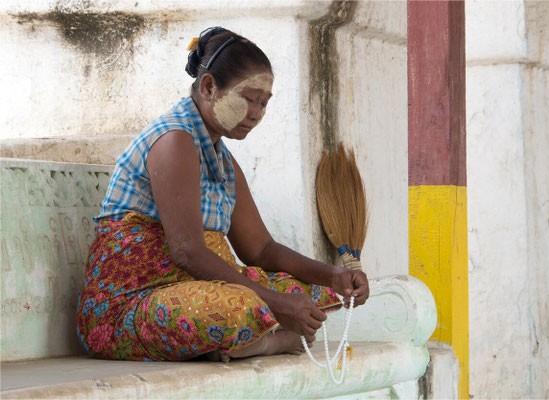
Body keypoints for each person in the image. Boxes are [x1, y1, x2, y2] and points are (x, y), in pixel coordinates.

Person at [75, 27, 369, 362]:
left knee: (318, 293)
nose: (256, 112)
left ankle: (235, 341)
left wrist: (334, 275)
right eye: (248, 98)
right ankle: (265, 342)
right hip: (128, 308)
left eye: (264, 103)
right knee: (239, 307)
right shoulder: (174, 140)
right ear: (209, 87)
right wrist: (274, 303)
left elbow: (260, 249)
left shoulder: (222, 159)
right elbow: (187, 252)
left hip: (189, 291)